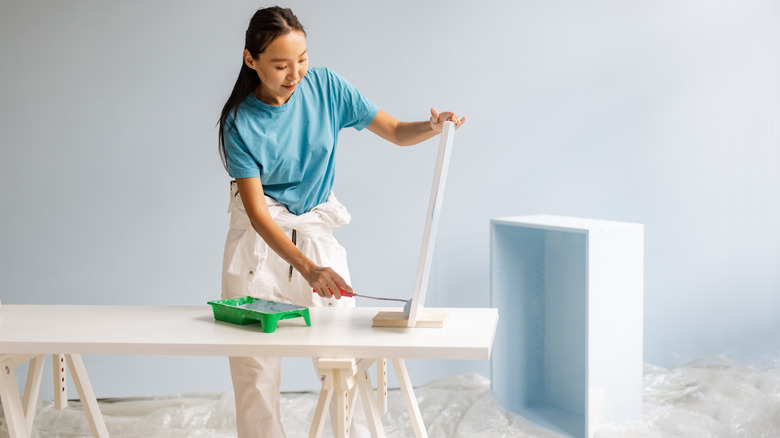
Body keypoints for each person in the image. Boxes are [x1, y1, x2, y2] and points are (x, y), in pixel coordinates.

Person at [217, 6, 465, 438]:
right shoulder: (239, 122)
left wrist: (432, 125)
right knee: (254, 369)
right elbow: (258, 215)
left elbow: (395, 131)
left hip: (315, 235)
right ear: (251, 60)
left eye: (302, 59)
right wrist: (308, 269)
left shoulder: (328, 87)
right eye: (280, 65)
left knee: (343, 361)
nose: (295, 73)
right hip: (259, 249)